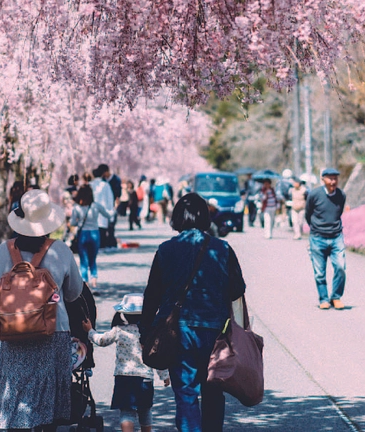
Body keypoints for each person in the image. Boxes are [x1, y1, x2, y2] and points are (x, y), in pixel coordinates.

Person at [141, 193, 246, 432]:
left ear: (177, 218)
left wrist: (145, 332)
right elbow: (237, 289)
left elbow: (152, 295)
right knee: (213, 390)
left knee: (186, 393)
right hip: (215, 330)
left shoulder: (166, 249)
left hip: (178, 331)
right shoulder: (222, 248)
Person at [0, 189, 84, 431]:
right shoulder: (60, 250)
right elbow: (74, 293)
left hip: (12, 330)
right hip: (53, 332)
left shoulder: (3, 250)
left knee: (16, 390)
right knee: (48, 404)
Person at [85, 295, 170, 432]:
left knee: (126, 411)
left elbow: (101, 340)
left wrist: (90, 331)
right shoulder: (149, 333)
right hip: (145, 378)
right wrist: (164, 375)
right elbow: (155, 356)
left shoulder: (119, 330)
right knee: (145, 409)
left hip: (123, 377)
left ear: (123, 313)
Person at [305, 167, 347, 310]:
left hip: (336, 236)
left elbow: (338, 212)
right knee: (319, 272)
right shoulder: (315, 194)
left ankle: (336, 297)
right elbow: (308, 213)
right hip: (318, 237)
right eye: (330, 178)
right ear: (323, 179)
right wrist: (315, 228)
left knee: (340, 267)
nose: (333, 181)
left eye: (335, 178)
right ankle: (323, 298)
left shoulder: (341, 195)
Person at [71, 184, 108, 288]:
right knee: (93, 259)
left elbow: (73, 222)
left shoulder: (77, 207)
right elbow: (108, 215)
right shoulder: (96, 206)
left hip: (83, 234)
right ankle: (94, 282)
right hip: (95, 234)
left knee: (83, 260)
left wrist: (78, 222)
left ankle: (85, 284)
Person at [92, 164, 118, 249]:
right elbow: (110, 201)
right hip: (103, 213)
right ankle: (101, 246)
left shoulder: (90, 184)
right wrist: (111, 214)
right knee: (102, 232)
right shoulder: (105, 185)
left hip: (92, 213)